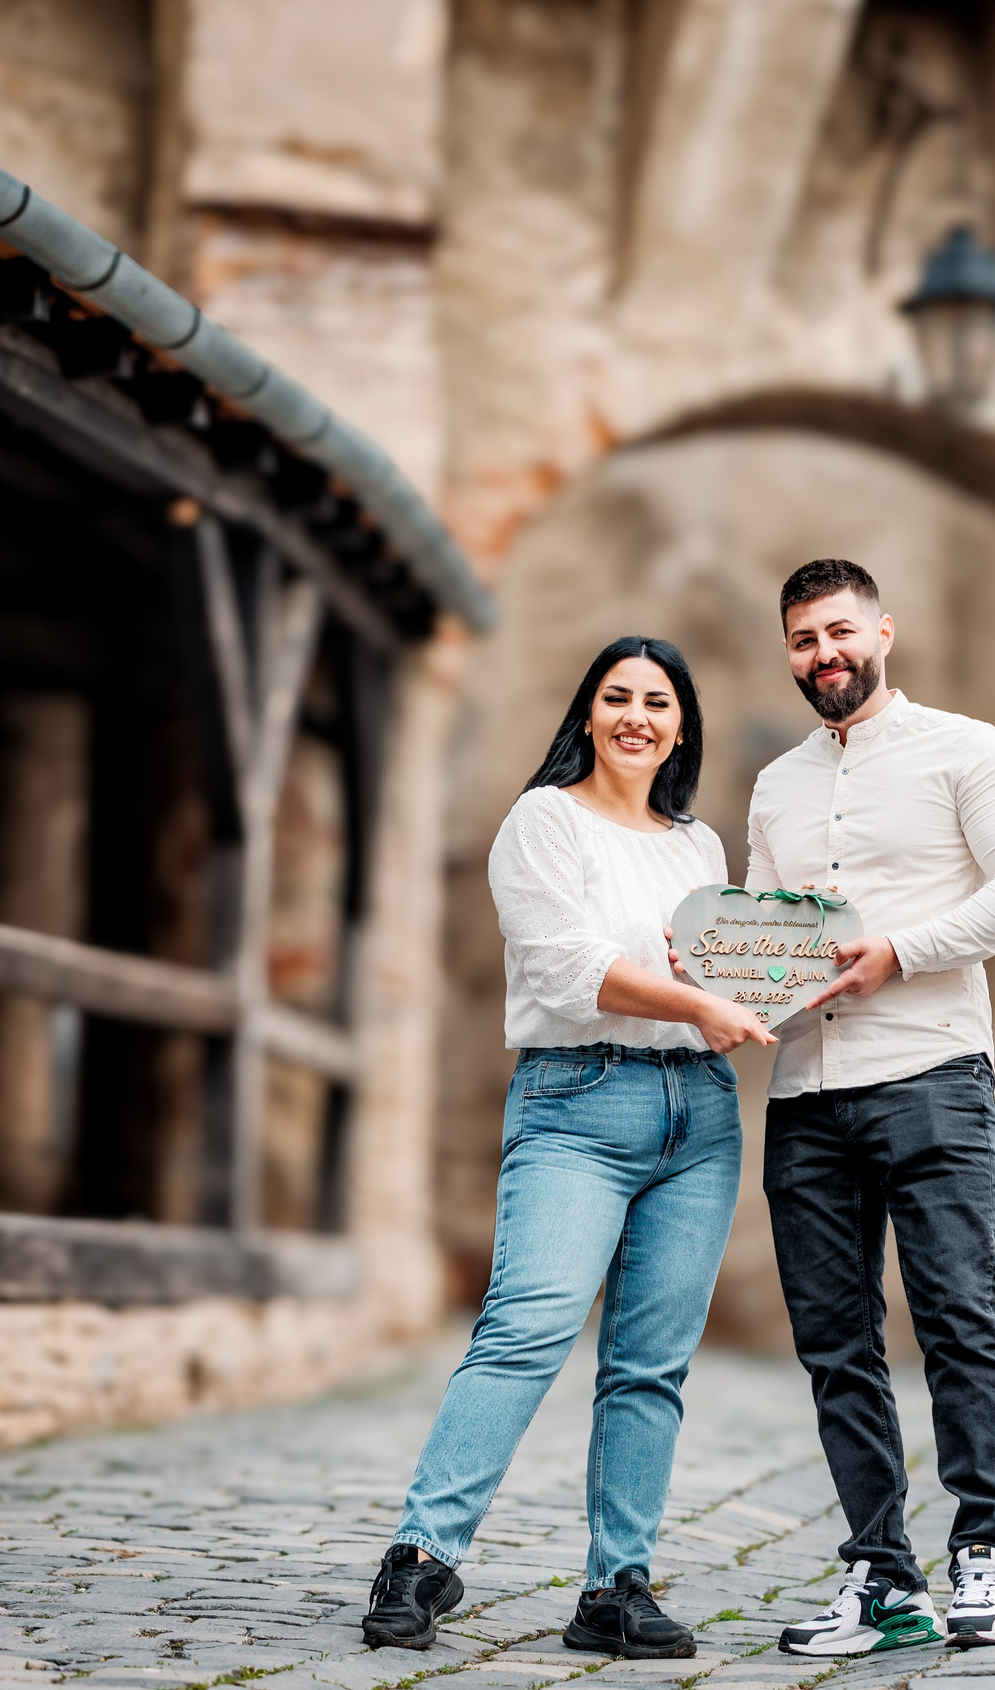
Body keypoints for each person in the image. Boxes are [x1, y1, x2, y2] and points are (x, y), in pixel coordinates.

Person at [362, 637, 777, 1660]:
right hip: (576, 1103)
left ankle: (614, 1588)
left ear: (681, 726)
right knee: (527, 1329)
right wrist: (694, 997)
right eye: (616, 697)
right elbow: (566, 969)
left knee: (650, 1365)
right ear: (587, 715)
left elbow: (719, 963)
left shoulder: (697, 847)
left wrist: (770, 983)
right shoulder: (541, 820)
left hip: (699, 1113)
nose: (636, 715)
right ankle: (418, 1559)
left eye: (657, 702)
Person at [747, 560, 995, 1655]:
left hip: (930, 1074)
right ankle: (882, 1578)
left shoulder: (968, 749)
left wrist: (900, 951)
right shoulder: (775, 785)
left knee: (955, 1321)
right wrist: (714, 969)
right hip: (805, 1095)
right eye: (801, 640)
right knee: (834, 1347)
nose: (822, 654)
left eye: (838, 631)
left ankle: (983, 1555)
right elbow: (766, 942)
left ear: (883, 630)